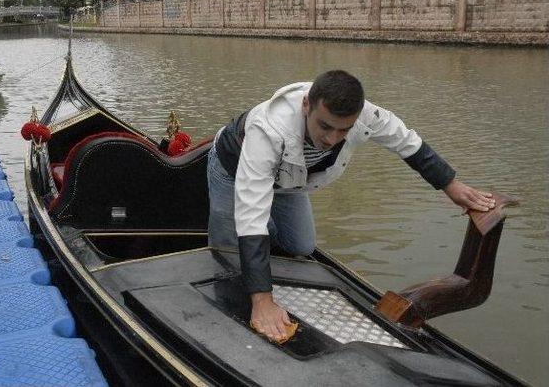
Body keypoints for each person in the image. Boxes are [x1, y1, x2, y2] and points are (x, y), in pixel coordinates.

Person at [206, 70, 495, 343]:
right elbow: (251, 217)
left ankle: (256, 252)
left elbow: (408, 143)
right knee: (227, 252)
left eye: (343, 130)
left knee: (302, 245)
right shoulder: (268, 130)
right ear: (307, 104)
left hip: (290, 180)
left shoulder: (366, 116)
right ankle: (226, 294)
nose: (331, 139)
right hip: (233, 169)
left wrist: (452, 186)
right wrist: (263, 302)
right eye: (325, 126)